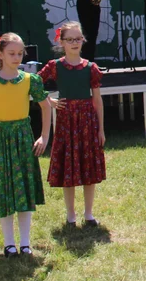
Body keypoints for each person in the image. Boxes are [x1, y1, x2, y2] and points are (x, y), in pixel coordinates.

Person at [0, 33, 52, 257]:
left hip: (22, 137)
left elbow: (46, 106)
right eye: (11, 53)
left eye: (20, 53)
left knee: (24, 189)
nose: (16, 58)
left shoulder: (30, 80)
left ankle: (25, 243)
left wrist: (44, 136)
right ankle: (9, 244)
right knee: (4, 188)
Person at [39, 21, 106, 227]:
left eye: (78, 39)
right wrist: (49, 100)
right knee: (69, 166)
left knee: (88, 168)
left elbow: (97, 99)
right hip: (66, 119)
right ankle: (70, 214)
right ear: (62, 42)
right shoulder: (55, 66)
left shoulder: (90, 68)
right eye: (70, 39)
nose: (75, 43)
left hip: (87, 120)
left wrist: (101, 128)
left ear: (83, 41)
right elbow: (32, 84)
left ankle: (88, 213)